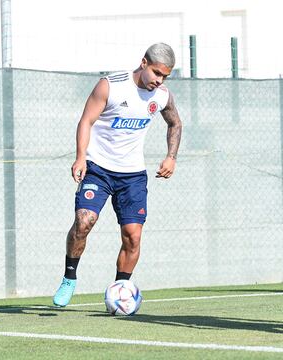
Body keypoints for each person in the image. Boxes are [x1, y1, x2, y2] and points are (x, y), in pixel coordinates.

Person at [53, 42, 182, 307]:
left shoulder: (162, 96)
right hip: (98, 169)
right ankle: (69, 278)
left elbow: (175, 123)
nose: (159, 81)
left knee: (133, 235)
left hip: (133, 176)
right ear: (143, 63)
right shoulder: (110, 86)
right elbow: (86, 120)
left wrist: (171, 156)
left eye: (165, 76)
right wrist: (80, 156)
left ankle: (120, 288)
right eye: (156, 73)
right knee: (84, 221)